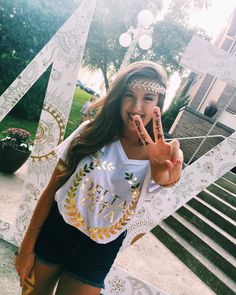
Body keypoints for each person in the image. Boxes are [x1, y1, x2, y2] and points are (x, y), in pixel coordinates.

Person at [15, 60, 183, 295]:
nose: (136, 106)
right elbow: (52, 189)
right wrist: (26, 249)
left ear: (158, 104)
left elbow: (166, 179)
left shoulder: (162, 155)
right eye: (129, 95)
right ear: (118, 97)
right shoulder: (89, 132)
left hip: (98, 251)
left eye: (147, 98)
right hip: (56, 231)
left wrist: (164, 174)